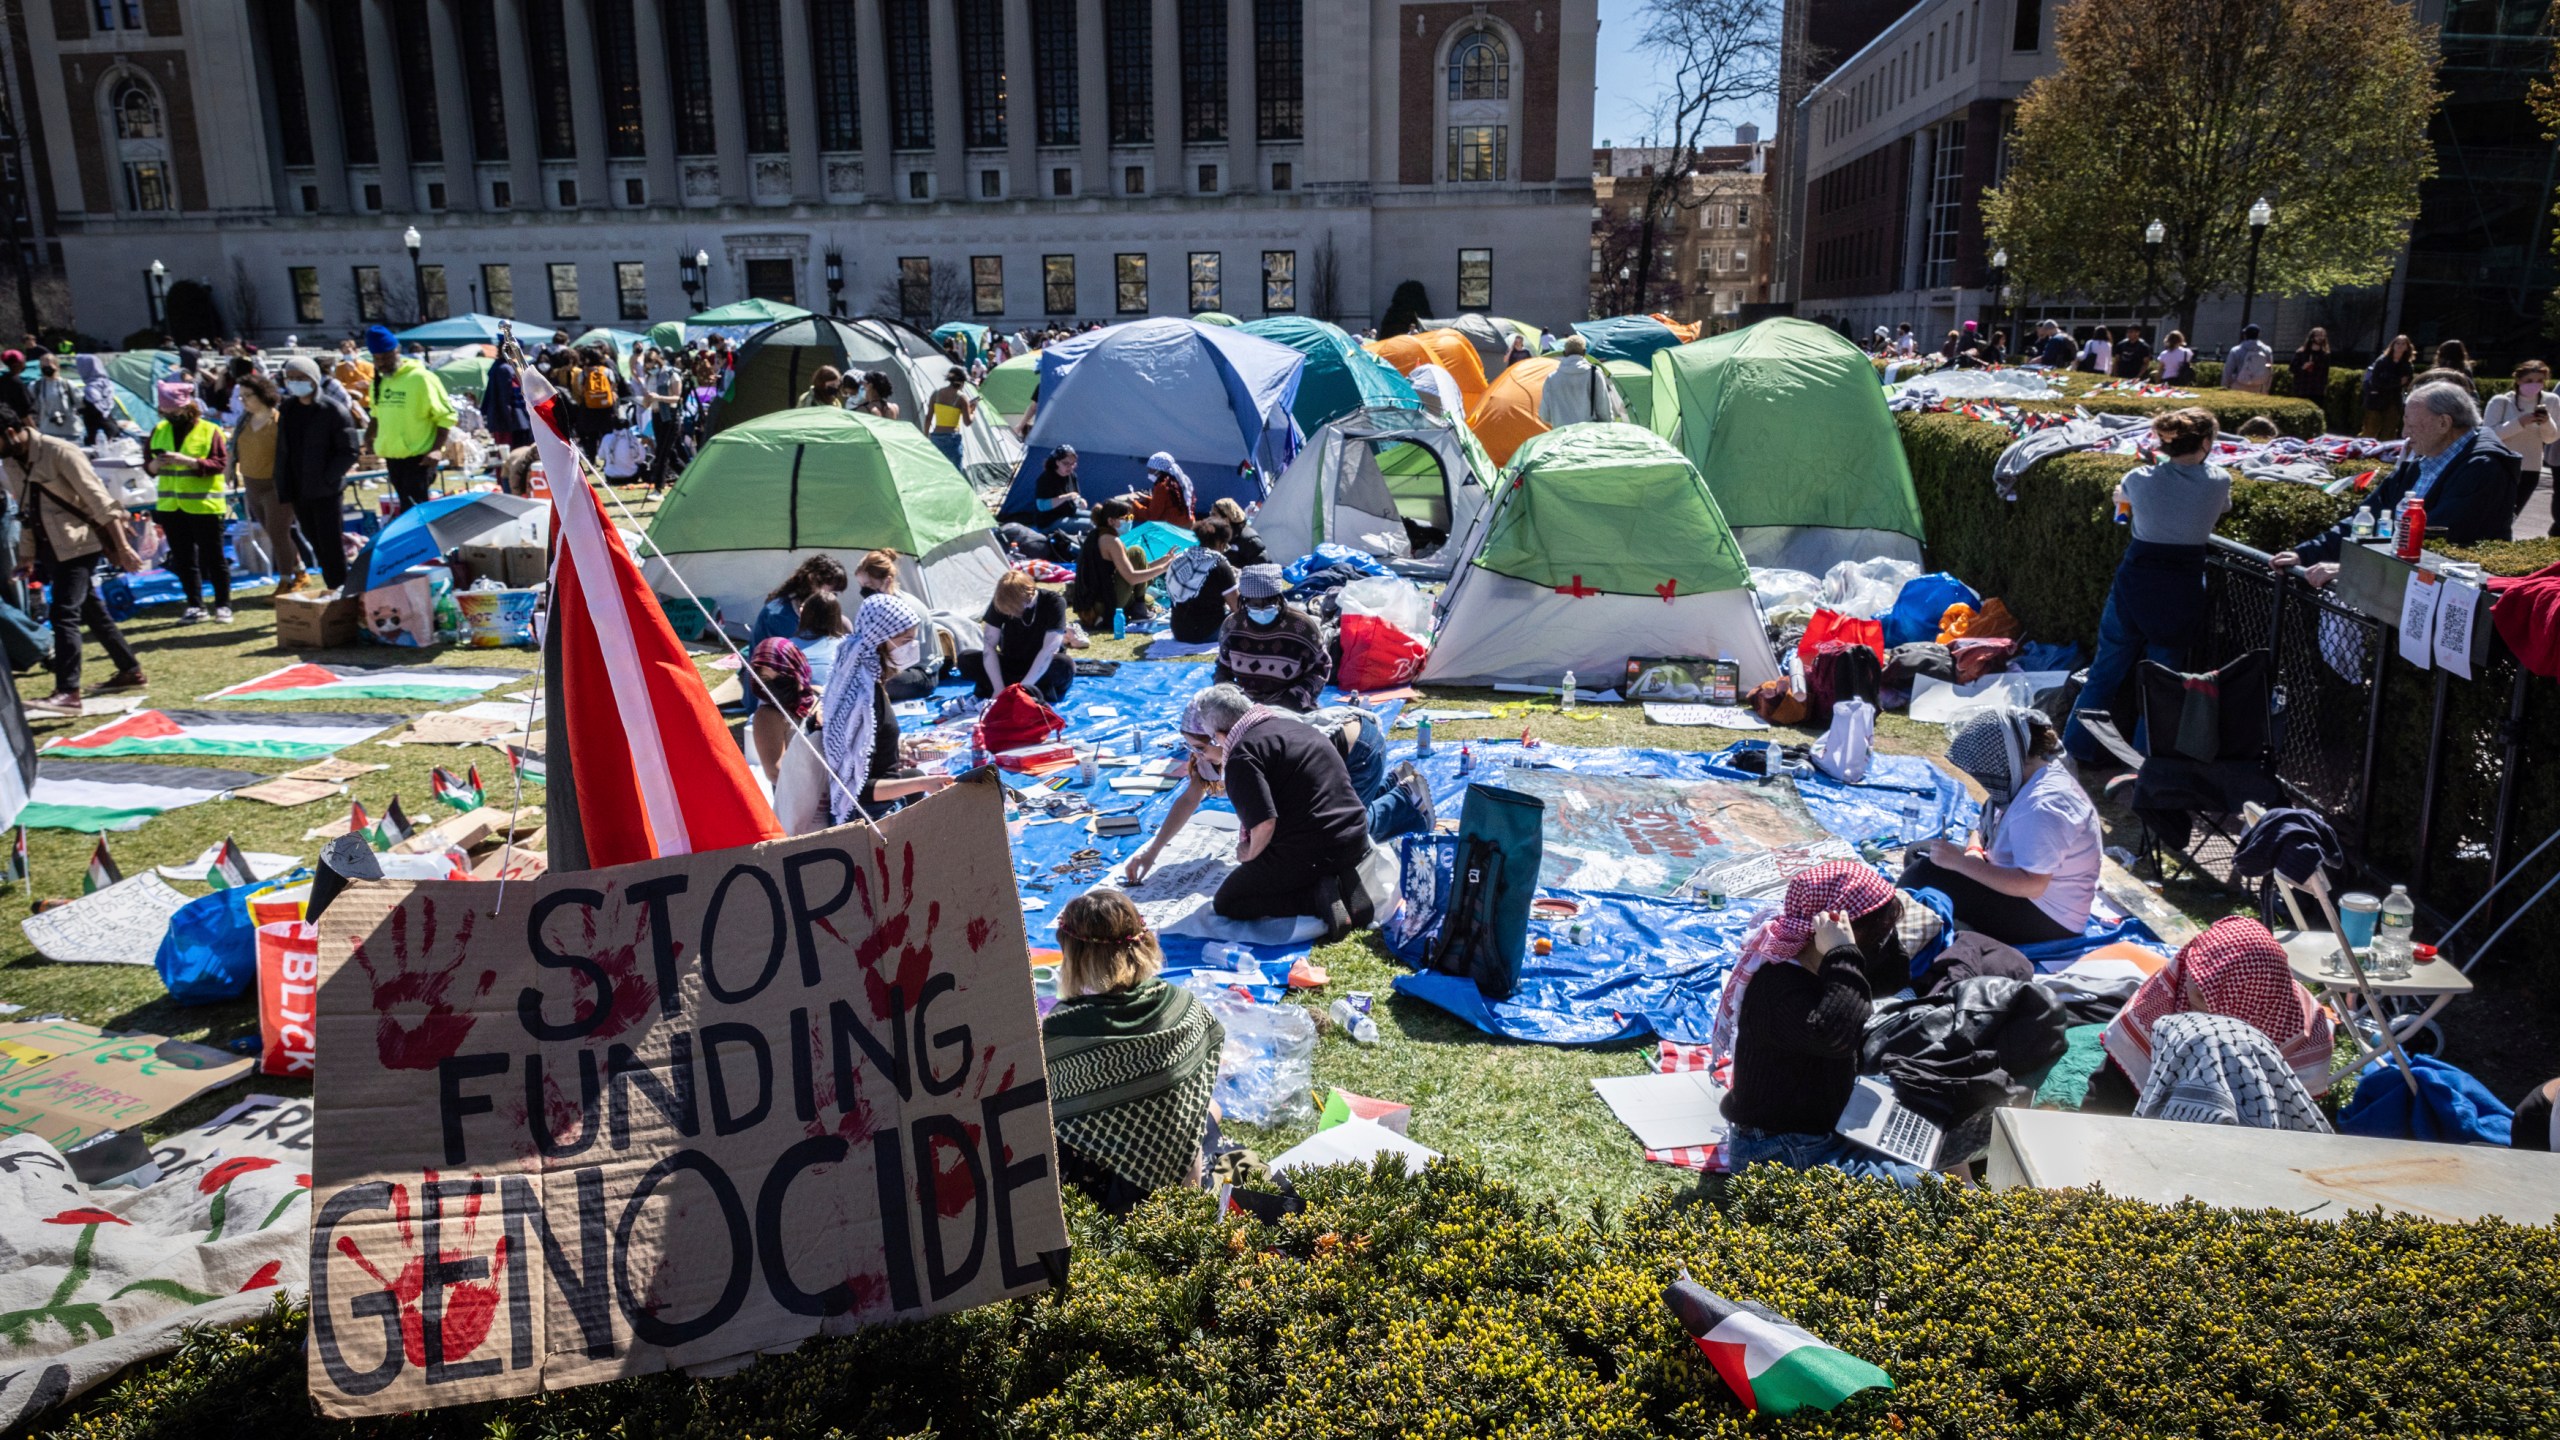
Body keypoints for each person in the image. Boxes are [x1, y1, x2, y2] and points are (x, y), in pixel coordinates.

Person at [1710, 860, 1922, 1185]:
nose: (1882, 944)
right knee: (1929, 1187)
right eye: (1877, 935)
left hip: (1824, 1124)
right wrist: (1844, 952)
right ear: (1833, 932)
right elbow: (1837, 1036)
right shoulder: (1777, 987)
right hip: (1779, 1152)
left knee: (1932, 1107)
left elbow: (1893, 979)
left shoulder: (1822, 962)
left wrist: (1873, 935)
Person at [1131, 685, 1376, 936]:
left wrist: (1249, 853)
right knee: (1281, 861)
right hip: (1356, 837)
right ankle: (1342, 877)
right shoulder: (1294, 727)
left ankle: (1318, 897)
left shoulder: (1242, 755)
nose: (1199, 756)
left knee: (1230, 901)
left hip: (1316, 847)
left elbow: (1264, 824)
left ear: (1218, 735)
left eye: (1202, 748)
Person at [1040, 889, 1225, 1214]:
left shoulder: (1065, 1026)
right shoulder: (1181, 1003)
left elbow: (1056, 1111)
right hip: (1187, 1169)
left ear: (1076, 956)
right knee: (1212, 1107)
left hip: (1121, 1193)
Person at [2064, 409, 2230, 766]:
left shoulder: (2137, 479)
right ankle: (2143, 765)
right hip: (2182, 588)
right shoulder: (2219, 481)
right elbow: (2220, 507)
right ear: (2204, 443)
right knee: (2161, 684)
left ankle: (2073, 750)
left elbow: (2125, 503)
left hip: (2135, 583)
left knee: (2104, 671)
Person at [2273, 381, 2520, 584]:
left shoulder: (2483, 468)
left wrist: (2353, 568)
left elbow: (2433, 542)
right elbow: (2364, 519)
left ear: (2444, 423)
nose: (2404, 434)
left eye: (2411, 425)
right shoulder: (2426, 459)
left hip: (2444, 592)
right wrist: (2303, 553)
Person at [1899, 709, 2100, 946]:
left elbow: (2033, 885)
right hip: (2018, 886)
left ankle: (1895, 928)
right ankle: (1946, 919)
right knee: (1921, 852)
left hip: (2048, 916)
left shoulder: (2044, 806)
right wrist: (1973, 852)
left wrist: (1962, 864)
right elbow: (1983, 828)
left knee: (1925, 872)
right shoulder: (2026, 777)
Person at [2092, 916, 2335, 1110]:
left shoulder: (2307, 1031)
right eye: (2194, 982)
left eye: (2206, 998)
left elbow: (2283, 1115)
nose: (2191, 995)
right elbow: (2117, 1078)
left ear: (2244, 1005)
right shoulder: (2171, 986)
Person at [2, 405, 145, 708]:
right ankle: (130, 669)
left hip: (82, 542)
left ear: (11, 433)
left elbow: (100, 502)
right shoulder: (12, 461)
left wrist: (122, 547)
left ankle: (68, 692)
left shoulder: (60, 451)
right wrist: (27, 556)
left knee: (63, 613)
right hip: (51, 547)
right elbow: (25, 513)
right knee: (92, 611)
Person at [812, 591, 953, 826]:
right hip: (870, 816)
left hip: (881, 802)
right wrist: (923, 784)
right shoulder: (861, 699)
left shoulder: (864, 678)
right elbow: (857, 790)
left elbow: (868, 745)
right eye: (906, 640)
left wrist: (900, 745)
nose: (913, 648)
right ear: (881, 639)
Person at [145, 381, 231, 623]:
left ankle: (223, 605)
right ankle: (195, 605)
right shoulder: (158, 430)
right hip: (171, 506)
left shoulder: (209, 430)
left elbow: (219, 464)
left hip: (204, 505)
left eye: (173, 411)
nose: (169, 416)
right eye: (164, 411)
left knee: (214, 557)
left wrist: (189, 461)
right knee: (184, 560)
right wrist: (155, 465)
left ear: (187, 407)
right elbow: (148, 465)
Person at [275, 357, 356, 592]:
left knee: (330, 544)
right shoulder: (288, 408)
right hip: (298, 488)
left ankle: (342, 589)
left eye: (301, 378)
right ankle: (334, 587)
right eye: (291, 378)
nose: (296, 383)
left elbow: (348, 451)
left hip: (325, 490)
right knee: (314, 542)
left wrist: (328, 478)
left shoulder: (333, 410)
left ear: (314, 379)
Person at [364, 325, 455, 511]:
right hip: (393, 457)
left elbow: (446, 416)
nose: (382, 363)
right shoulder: (379, 382)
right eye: (377, 359)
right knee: (407, 508)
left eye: (386, 357)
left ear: (397, 351)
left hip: (419, 458)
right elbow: (376, 414)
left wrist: (437, 449)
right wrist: (368, 436)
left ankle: (423, 541)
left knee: (415, 509)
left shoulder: (421, 378)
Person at [1215, 564, 1330, 711]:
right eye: (1254, 604)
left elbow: (1321, 668)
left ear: (1279, 598)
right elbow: (1223, 667)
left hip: (1291, 706)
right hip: (1246, 706)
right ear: (1244, 601)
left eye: (1269, 603)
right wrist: (1227, 696)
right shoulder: (1232, 625)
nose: (1262, 610)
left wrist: (1295, 698)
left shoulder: (1302, 626)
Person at [746, 554, 848, 715]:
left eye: (836, 593)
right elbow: (788, 664)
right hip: (771, 696)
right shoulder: (779, 614)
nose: (833, 596)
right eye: (832, 589)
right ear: (813, 580)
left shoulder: (802, 607)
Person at [228, 374, 302, 592]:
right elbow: (234, 450)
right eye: (240, 397)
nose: (243, 401)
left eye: (247, 396)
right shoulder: (243, 421)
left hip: (276, 485)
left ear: (262, 395)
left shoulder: (280, 421)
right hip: (252, 484)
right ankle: (300, 570)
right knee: (273, 532)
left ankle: (286, 580)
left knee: (278, 533)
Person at [1067, 498, 1173, 630]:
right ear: (1111, 521)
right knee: (1136, 552)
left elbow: (1132, 569)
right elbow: (1132, 577)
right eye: (1127, 517)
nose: (1130, 521)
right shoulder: (1112, 541)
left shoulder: (1097, 535)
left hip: (1091, 604)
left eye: (1132, 516)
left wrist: (1163, 560)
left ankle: (1139, 606)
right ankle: (1139, 610)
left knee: (1149, 599)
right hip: (1102, 606)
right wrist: (1165, 568)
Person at [978, 568, 1073, 701]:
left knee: (1064, 664)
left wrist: (1022, 689)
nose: (1010, 614)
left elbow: (1050, 649)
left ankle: (1027, 687)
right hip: (1012, 661)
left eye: (1013, 610)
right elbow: (989, 645)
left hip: (1042, 663)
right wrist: (998, 688)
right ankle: (1014, 687)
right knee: (968, 659)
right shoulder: (1001, 602)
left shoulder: (1054, 602)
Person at [2486, 360, 2558, 528]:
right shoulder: (2501, 401)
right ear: (2518, 381)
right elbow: (2489, 434)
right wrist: (2519, 422)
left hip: (2530, 467)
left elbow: (2551, 438)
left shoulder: (2551, 400)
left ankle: (2501, 544)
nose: (2535, 385)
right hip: (2501, 465)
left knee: (2512, 514)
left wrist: (2546, 421)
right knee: (2494, 511)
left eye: (2540, 381)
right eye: (2529, 381)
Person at [746, 635, 815, 784]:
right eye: (766, 681)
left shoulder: (817, 697)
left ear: (797, 668)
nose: (774, 687)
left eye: (781, 677)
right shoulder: (768, 716)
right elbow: (776, 771)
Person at [996, 445, 1093, 543]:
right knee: (1091, 524)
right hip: (1050, 521)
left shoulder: (1072, 476)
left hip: (1068, 512)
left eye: (1073, 464)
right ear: (1057, 462)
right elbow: (1042, 506)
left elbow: (1075, 496)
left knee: (1098, 517)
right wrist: (1065, 497)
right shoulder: (1046, 479)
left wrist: (1081, 502)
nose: (1070, 467)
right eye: (1066, 463)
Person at [1165, 514, 1238, 643]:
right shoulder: (1219, 565)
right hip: (1207, 632)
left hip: (1179, 631)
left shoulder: (1181, 559)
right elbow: (1237, 608)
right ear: (1221, 544)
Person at [1537, 335, 1625, 426]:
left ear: (1564, 353)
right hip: (1588, 433)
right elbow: (1604, 411)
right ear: (1584, 352)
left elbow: (1544, 415)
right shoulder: (1594, 374)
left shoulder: (1552, 378)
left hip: (1562, 434)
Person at [564, 344, 629, 459]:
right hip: (606, 407)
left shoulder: (584, 373)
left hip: (589, 407)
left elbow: (579, 389)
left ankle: (592, 459)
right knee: (607, 433)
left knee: (591, 435)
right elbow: (613, 385)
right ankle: (608, 457)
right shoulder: (607, 371)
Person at [641, 346, 686, 490]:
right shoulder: (649, 377)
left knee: (662, 453)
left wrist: (658, 397)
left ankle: (658, 488)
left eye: (652, 363)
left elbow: (677, 398)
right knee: (670, 454)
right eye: (647, 364)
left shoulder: (671, 374)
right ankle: (688, 478)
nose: (650, 366)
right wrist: (647, 399)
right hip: (656, 415)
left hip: (670, 417)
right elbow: (646, 404)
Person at [2360, 335, 2417, 438]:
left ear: (2407, 347)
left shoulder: (2407, 365)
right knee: (2370, 430)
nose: (2399, 346)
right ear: (2393, 345)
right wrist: (2397, 382)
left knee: (2389, 431)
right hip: (2376, 399)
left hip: (2394, 401)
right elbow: (2376, 381)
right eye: (2397, 343)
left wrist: (2395, 383)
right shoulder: (2382, 361)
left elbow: (2408, 383)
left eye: (2403, 344)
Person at [481, 343, 532, 451]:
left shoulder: (499, 366)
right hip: (512, 421)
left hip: (507, 420)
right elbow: (505, 398)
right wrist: (509, 420)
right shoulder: (505, 369)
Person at [1130, 451, 1199, 530]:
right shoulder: (1180, 481)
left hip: (1173, 529)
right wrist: (1147, 498)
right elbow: (1170, 503)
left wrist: (1134, 503)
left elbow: (1152, 516)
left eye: (1151, 470)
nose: (1149, 473)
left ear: (1159, 470)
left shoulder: (1162, 486)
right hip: (1188, 525)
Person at [927, 367, 975, 467]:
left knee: (938, 470)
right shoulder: (962, 398)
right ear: (962, 382)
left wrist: (926, 436)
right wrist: (972, 412)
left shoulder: (936, 394)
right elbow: (967, 422)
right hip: (952, 438)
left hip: (936, 437)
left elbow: (928, 418)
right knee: (955, 474)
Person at [27, 354, 78, 441]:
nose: (46, 368)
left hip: (70, 432)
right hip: (46, 432)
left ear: (57, 366)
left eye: (49, 365)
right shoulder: (35, 386)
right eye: (43, 366)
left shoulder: (68, 385)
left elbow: (80, 404)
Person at [75, 356, 122, 443]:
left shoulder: (91, 389)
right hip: (111, 427)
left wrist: (81, 410)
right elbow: (103, 408)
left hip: (99, 434)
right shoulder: (106, 384)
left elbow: (95, 409)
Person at [1212, 496, 1268, 568]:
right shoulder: (1218, 535)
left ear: (1226, 519)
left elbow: (1262, 567)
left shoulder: (1249, 540)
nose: (1210, 518)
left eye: (1214, 515)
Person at [2223, 324, 2274, 395]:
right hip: (2259, 387)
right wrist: (2266, 388)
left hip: (2238, 386)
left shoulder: (2236, 350)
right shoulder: (2267, 350)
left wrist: (2225, 386)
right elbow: (2269, 369)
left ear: (2245, 335)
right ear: (2258, 335)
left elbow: (2228, 370)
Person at [2288, 326, 2331, 402]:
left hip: (2317, 391)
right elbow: (2292, 369)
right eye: (2318, 335)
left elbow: (2325, 374)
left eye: (2322, 335)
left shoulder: (2324, 355)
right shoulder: (2301, 353)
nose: (2320, 338)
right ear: (2312, 337)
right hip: (2302, 389)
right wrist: (2303, 368)